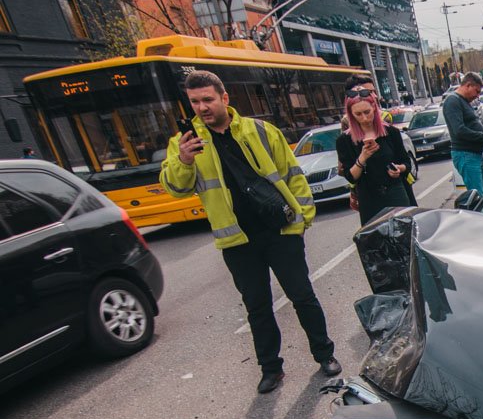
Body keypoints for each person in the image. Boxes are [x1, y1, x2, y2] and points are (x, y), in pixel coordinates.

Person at [160, 70, 339, 394]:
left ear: (224, 98)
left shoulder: (259, 130)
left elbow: (292, 174)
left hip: (280, 230)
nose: (202, 107)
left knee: (302, 295)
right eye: (195, 102)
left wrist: (302, 219)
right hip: (237, 240)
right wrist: (184, 161)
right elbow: (176, 187)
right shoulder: (183, 143)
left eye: (208, 100)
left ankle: (325, 354)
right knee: (257, 306)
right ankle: (271, 369)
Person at [336, 88, 413, 227]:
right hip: (369, 198)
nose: (364, 118)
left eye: (367, 112)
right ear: (351, 116)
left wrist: (399, 169)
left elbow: (407, 163)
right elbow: (351, 177)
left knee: (404, 234)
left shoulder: (391, 132)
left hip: (395, 192)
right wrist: (363, 157)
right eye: (358, 114)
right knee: (376, 241)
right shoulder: (345, 140)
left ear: (374, 108)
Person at [443, 71, 483, 194]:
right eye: (476, 91)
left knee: (482, 193)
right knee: (478, 195)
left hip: (473, 154)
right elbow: (459, 130)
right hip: (466, 154)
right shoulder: (453, 101)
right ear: (468, 85)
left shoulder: (463, 101)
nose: (477, 95)